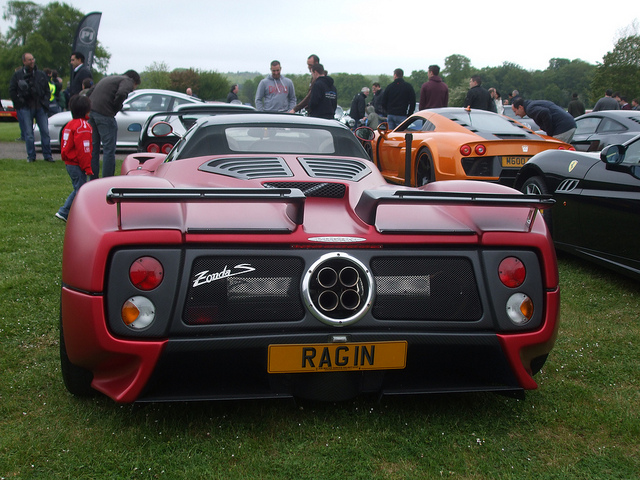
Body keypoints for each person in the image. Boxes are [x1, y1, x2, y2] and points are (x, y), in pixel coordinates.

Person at [87, 70, 141, 179]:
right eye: (135, 86)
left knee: (93, 148)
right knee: (109, 150)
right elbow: (121, 93)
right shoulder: (127, 80)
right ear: (134, 81)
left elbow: (89, 92)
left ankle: (92, 179)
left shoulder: (109, 78)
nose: (133, 88)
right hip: (105, 114)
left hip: (92, 112)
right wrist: (116, 107)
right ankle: (107, 179)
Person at [9, 52, 54, 162]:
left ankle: (47, 155)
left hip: (40, 107)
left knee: (45, 131)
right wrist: (20, 102)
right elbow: (12, 90)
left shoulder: (41, 74)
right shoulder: (17, 75)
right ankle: (31, 156)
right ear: (24, 62)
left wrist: (45, 103)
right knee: (28, 134)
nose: (32, 61)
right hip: (26, 107)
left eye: (33, 59)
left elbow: (47, 90)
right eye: (29, 60)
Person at [55, 95, 93, 222]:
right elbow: (84, 150)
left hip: (69, 162)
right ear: (87, 110)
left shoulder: (69, 124)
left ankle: (72, 212)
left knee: (78, 188)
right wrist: (87, 167)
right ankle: (65, 211)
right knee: (80, 190)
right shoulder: (83, 127)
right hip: (77, 163)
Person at [512, 97, 576, 143]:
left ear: (520, 107)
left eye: (515, 111)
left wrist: (549, 134)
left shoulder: (529, 109)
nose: (516, 114)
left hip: (562, 128)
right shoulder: (534, 104)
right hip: (570, 123)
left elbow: (545, 112)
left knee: (553, 152)